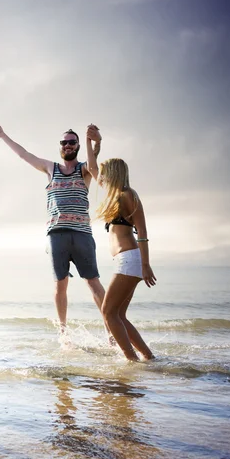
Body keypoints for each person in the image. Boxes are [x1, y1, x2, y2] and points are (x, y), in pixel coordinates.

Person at [0, 121, 105, 333]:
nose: (67, 145)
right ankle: (63, 332)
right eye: (64, 142)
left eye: (72, 142)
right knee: (60, 285)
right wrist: (3, 136)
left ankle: (111, 329)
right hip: (56, 234)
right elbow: (24, 154)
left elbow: (94, 164)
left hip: (82, 234)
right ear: (60, 146)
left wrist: (94, 142)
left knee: (93, 282)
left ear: (78, 146)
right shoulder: (51, 168)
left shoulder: (85, 169)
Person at [85, 126, 156, 361]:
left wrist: (146, 265)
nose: (100, 176)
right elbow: (92, 166)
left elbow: (143, 233)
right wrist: (93, 142)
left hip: (130, 260)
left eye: (106, 173)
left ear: (114, 173)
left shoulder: (128, 195)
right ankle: (147, 358)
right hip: (126, 261)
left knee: (107, 312)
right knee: (119, 315)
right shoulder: (113, 194)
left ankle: (130, 360)